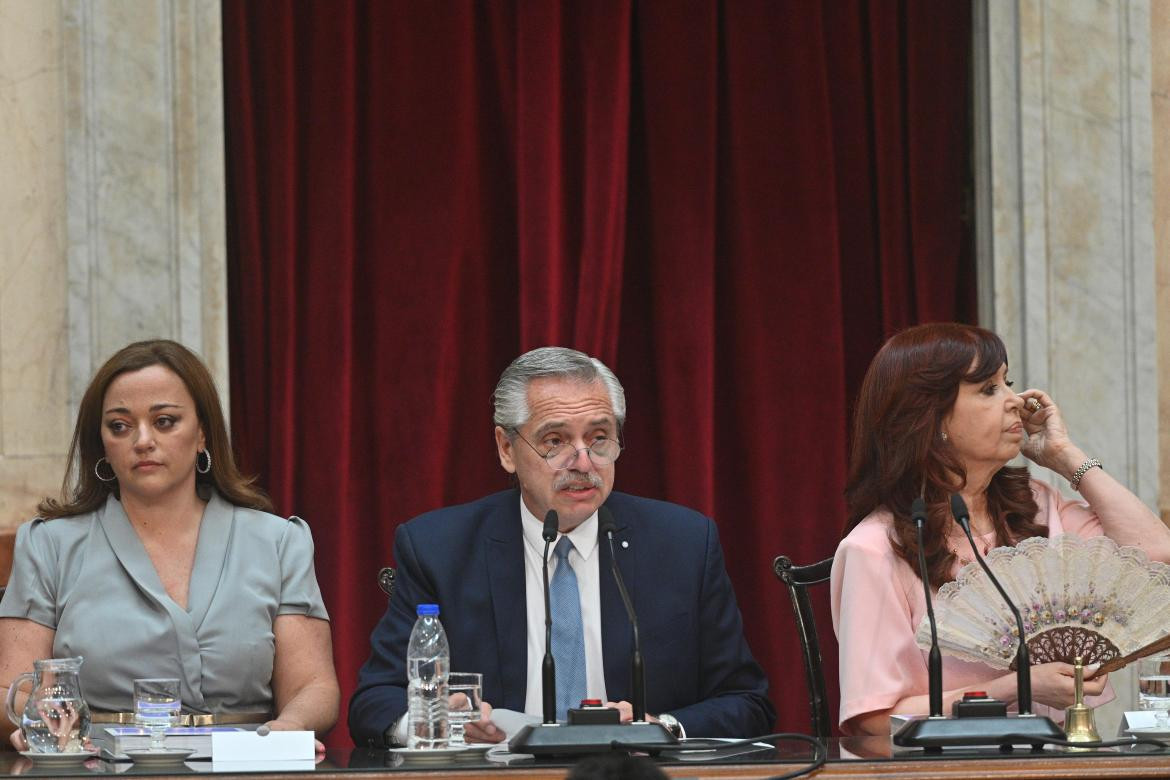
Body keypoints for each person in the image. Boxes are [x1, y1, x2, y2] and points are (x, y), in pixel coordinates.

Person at [349, 347, 773, 745]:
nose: (583, 461)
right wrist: (440, 722)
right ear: (506, 449)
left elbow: (747, 702)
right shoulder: (439, 549)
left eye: (599, 437)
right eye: (555, 441)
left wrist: (659, 729)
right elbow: (375, 702)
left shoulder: (682, 543)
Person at [831, 323, 1170, 736]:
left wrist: (1064, 457)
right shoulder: (875, 549)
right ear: (932, 417)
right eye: (989, 389)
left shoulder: (1037, 505)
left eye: (1007, 383)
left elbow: (1153, 554)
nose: (1017, 401)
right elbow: (874, 720)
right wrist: (1011, 688)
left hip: (1062, 759)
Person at [0, 340, 339, 749]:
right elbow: (11, 689)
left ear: (202, 435)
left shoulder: (279, 541)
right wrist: (39, 721)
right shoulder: (50, 545)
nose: (142, 440)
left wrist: (290, 729)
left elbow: (314, 686)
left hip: (245, 764)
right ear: (102, 445)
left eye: (164, 421)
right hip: (100, 767)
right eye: (120, 426)